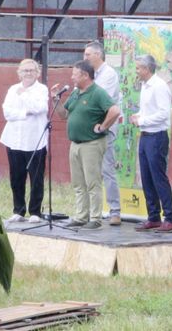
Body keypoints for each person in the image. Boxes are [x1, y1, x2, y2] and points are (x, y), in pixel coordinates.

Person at [51, 60, 121, 230]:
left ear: (85, 75)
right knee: (78, 183)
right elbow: (63, 115)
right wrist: (55, 101)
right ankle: (82, 216)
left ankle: (95, 218)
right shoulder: (76, 93)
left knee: (92, 182)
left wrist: (103, 126)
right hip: (75, 144)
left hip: (92, 143)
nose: (72, 77)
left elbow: (115, 110)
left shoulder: (97, 93)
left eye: (75, 74)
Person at [130, 54, 172, 233]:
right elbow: (148, 110)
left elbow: (164, 113)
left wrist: (142, 121)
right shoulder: (145, 86)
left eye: (138, 68)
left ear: (147, 69)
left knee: (158, 177)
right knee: (146, 177)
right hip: (145, 136)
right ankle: (153, 216)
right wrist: (139, 116)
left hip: (156, 136)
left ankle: (170, 217)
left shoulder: (159, 86)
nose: (137, 71)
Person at [0, 59, 49, 223]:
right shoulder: (13, 89)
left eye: (31, 70)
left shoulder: (41, 89)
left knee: (36, 177)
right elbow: (7, 112)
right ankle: (18, 210)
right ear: (19, 72)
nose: (28, 74)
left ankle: (35, 211)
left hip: (35, 140)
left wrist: (24, 95)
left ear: (37, 73)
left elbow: (38, 108)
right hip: (14, 138)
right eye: (25, 70)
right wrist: (24, 113)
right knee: (16, 176)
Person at [83, 41, 123, 226]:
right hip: (88, 128)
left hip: (104, 128)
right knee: (90, 171)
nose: (85, 58)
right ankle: (92, 211)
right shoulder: (90, 75)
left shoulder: (108, 74)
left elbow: (97, 98)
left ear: (98, 55)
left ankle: (115, 210)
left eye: (88, 54)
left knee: (107, 170)